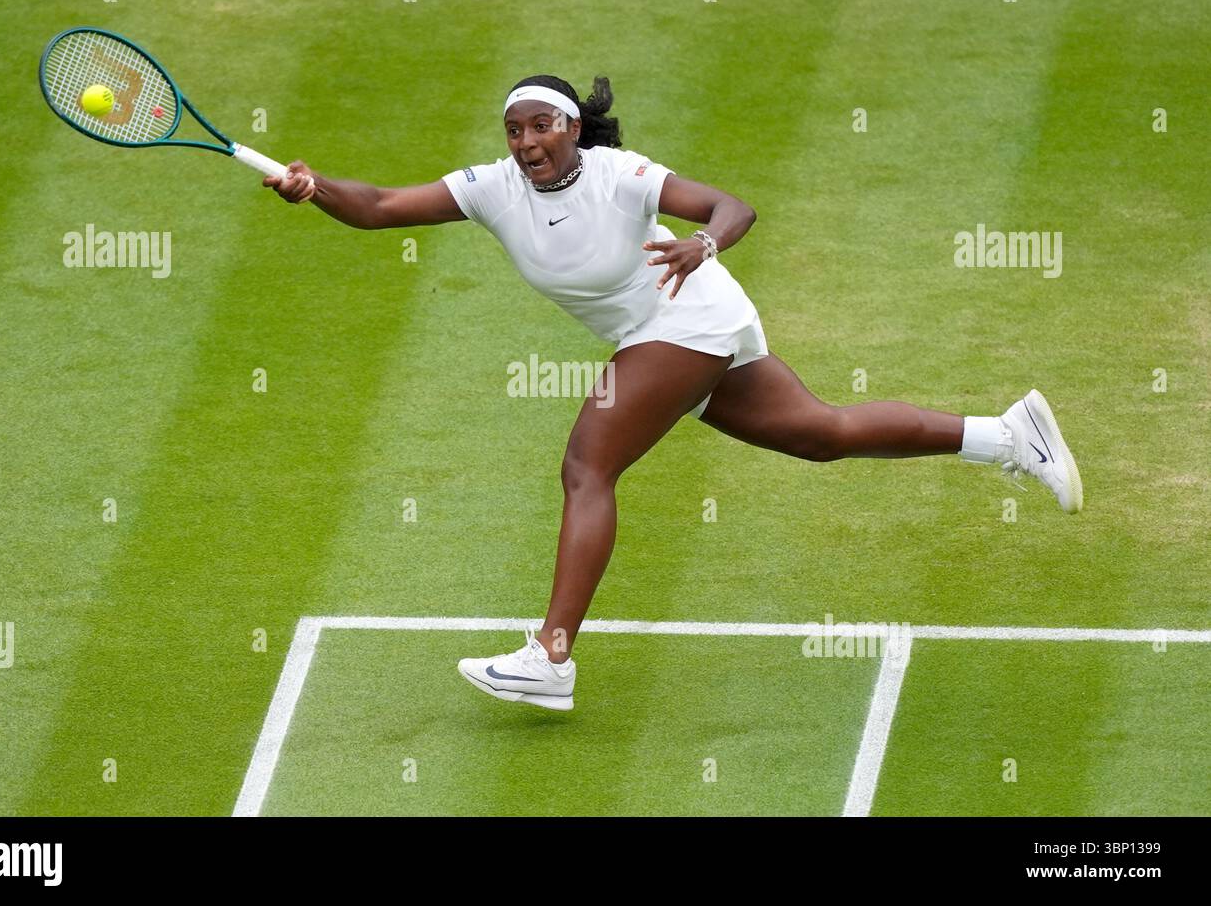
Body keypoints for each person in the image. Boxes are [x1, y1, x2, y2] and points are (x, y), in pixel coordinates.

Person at [264, 74, 1083, 712]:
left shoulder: (621, 175)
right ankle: (1009, 437)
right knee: (817, 433)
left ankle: (549, 656)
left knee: (588, 467)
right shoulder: (490, 189)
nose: (525, 143)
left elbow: (734, 205)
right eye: (514, 130)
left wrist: (702, 244)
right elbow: (376, 208)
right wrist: (314, 188)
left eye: (541, 127)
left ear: (572, 129)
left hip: (687, 315)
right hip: (662, 333)